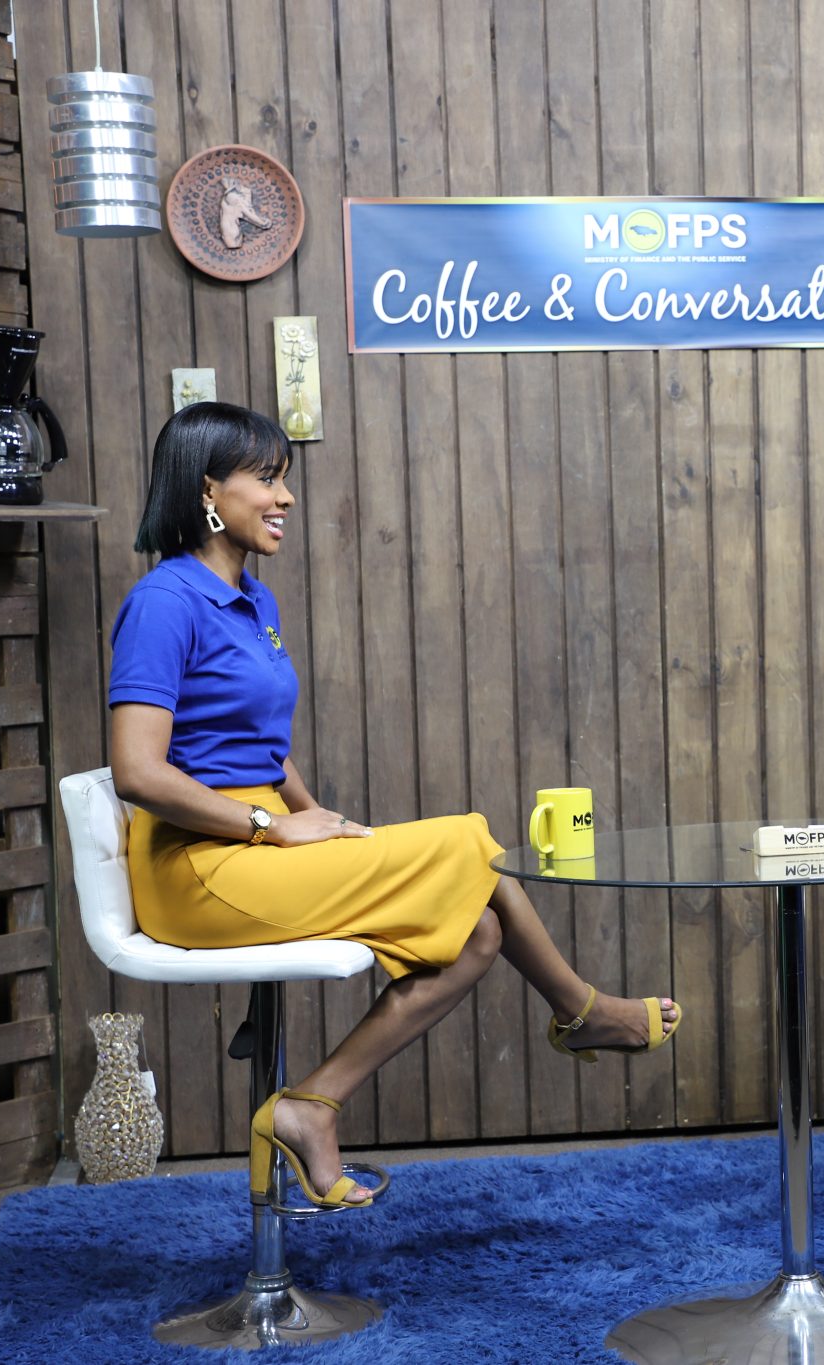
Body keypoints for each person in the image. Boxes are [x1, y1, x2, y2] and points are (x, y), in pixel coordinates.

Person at [107, 402, 679, 1209]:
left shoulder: (254, 601)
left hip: (254, 843)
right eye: (267, 479)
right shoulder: (164, 602)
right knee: (471, 840)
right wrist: (275, 826)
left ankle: (311, 1104)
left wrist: (327, 821)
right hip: (197, 866)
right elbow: (137, 771)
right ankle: (580, 1009)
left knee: (478, 933)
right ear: (208, 490)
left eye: (284, 479)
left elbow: (262, 749)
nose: (286, 497)